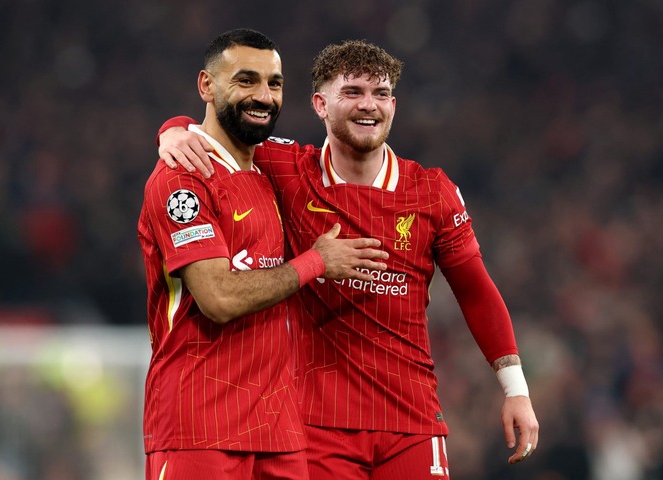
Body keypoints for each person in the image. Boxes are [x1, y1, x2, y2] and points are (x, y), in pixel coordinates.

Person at [155, 40, 539, 480]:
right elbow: (222, 130)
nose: (368, 106)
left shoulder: (432, 192)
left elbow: (476, 291)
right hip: (314, 424)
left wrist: (516, 390)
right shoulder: (285, 167)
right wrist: (176, 129)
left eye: (380, 94)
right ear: (320, 103)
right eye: (352, 92)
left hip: (411, 421)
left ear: (394, 105)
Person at [138, 30, 390, 480]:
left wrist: (171, 126)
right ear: (206, 86)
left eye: (274, 83)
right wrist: (316, 262)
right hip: (200, 426)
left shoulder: (272, 169)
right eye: (246, 81)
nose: (264, 96)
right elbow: (218, 299)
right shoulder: (182, 179)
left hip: (277, 431)